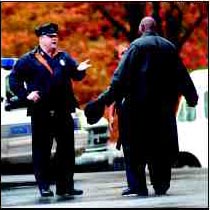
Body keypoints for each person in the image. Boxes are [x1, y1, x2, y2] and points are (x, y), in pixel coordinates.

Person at [85, 16, 198, 197]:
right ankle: (161, 184)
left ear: (141, 28)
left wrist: (102, 101)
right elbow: (182, 76)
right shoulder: (169, 47)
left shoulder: (135, 47)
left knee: (134, 149)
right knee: (160, 148)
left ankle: (138, 185)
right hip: (162, 110)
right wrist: (192, 97)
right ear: (155, 28)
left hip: (137, 110)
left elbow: (119, 80)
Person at [9, 22, 91, 197]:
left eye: (56, 36)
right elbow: (13, 81)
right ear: (41, 39)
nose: (55, 39)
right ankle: (44, 186)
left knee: (66, 151)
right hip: (41, 112)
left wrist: (81, 71)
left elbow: (76, 75)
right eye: (50, 36)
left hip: (63, 110)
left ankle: (66, 186)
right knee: (42, 151)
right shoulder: (28, 59)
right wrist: (26, 95)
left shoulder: (64, 57)